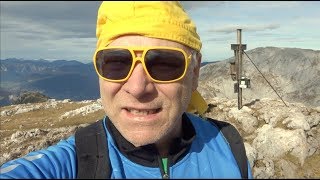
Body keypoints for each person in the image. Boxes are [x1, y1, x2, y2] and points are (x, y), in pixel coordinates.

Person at [0, 1, 253, 178]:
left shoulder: (230, 146)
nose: (137, 87)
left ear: (194, 72)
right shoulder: (74, 163)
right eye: (116, 63)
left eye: (165, 64)